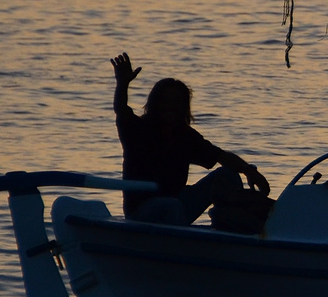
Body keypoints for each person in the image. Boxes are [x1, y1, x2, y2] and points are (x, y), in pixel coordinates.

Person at [111, 52, 269, 225]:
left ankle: (231, 228)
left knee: (226, 175)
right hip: (141, 211)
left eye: (177, 102)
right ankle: (179, 247)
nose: (171, 107)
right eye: (165, 101)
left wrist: (249, 170)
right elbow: (121, 109)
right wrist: (122, 84)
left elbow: (220, 156)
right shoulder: (137, 129)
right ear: (155, 104)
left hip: (178, 203)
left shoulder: (185, 135)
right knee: (172, 206)